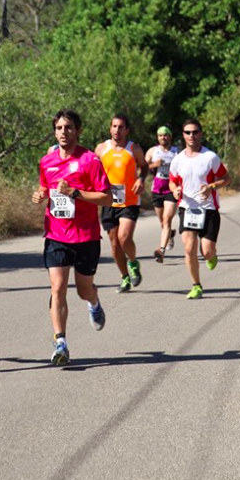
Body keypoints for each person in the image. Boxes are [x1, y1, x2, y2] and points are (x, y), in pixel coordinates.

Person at [32, 109, 113, 366]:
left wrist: (76, 193)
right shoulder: (47, 161)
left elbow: (107, 197)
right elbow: (46, 186)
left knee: (83, 289)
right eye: (58, 128)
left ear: (78, 130)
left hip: (86, 235)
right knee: (57, 288)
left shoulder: (90, 160)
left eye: (68, 128)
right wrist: (40, 194)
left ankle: (94, 302)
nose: (63, 133)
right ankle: (61, 343)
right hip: (56, 234)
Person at [168, 119, 230, 299]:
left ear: (200, 134)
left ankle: (212, 255)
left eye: (195, 132)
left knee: (207, 251)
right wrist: (175, 190)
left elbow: (226, 179)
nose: (191, 136)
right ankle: (196, 285)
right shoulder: (178, 159)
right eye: (187, 132)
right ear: (183, 135)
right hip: (187, 208)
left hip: (208, 209)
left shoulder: (210, 157)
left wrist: (211, 187)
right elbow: (172, 181)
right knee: (189, 248)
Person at [96, 115, 147, 293]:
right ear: (110, 128)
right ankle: (125, 277)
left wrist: (141, 179)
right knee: (115, 245)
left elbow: (144, 166)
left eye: (121, 127)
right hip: (109, 200)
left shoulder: (134, 148)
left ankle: (133, 262)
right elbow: (92, 170)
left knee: (124, 238)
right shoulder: (101, 149)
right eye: (114, 126)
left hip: (130, 200)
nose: (117, 130)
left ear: (127, 130)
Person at [146, 126, 179, 263]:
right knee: (162, 222)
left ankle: (161, 251)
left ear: (170, 137)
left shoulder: (177, 152)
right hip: (157, 190)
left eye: (165, 135)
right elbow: (142, 167)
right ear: (157, 137)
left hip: (171, 190)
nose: (163, 138)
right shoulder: (153, 151)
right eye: (160, 135)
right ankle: (170, 235)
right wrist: (154, 165)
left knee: (166, 220)